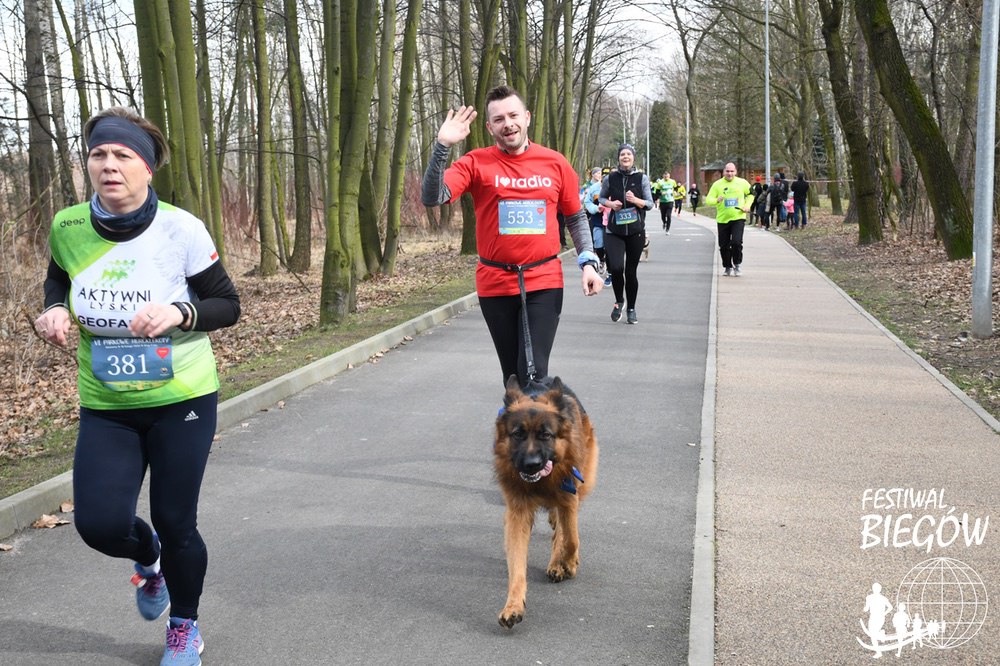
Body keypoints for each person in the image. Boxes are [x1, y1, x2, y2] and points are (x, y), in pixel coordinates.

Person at [33, 106, 241, 666]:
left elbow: (227, 304)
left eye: (123, 155)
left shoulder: (180, 228)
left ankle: (184, 627)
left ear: (147, 168)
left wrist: (180, 312)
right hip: (106, 403)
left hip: (182, 400)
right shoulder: (68, 226)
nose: (109, 165)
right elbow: (58, 277)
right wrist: (54, 308)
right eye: (98, 154)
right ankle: (149, 561)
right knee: (98, 525)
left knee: (177, 522)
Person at [420, 85, 602, 386]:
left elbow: (575, 216)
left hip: (543, 280)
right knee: (513, 378)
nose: (508, 124)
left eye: (513, 115)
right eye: (499, 119)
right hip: (495, 283)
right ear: (489, 127)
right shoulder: (475, 162)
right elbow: (432, 197)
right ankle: (516, 415)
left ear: (527, 117)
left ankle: (537, 416)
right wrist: (442, 146)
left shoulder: (555, 163)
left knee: (534, 374)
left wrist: (588, 262)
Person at [599, 143, 654, 324]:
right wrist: (611, 204)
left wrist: (636, 200)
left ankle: (631, 308)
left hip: (635, 232)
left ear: (633, 158)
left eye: (628, 154)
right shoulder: (610, 178)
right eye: (622, 154)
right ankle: (619, 301)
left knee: (630, 272)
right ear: (618, 158)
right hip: (614, 230)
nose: (625, 157)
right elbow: (601, 198)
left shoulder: (641, 178)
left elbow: (650, 204)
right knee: (616, 268)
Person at [706, 162, 752, 276]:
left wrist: (747, 205)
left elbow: (751, 194)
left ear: (735, 172)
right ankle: (727, 266)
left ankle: (737, 264)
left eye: (732, 171)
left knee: (736, 242)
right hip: (723, 219)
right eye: (727, 171)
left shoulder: (742, 183)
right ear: (723, 172)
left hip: (738, 217)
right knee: (724, 245)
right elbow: (708, 200)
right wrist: (716, 200)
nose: (730, 173)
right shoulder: (717, 184)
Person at [582, 167, 611, 286]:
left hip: (611, 223)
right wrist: (595, 208)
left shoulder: (616, 186)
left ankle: (610, 273)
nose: (604, 178)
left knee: (610, 248)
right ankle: (601, 260)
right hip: (598, 221)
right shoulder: (594, 188)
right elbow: (587, 202)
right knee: (598, 244)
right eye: (603, 176)